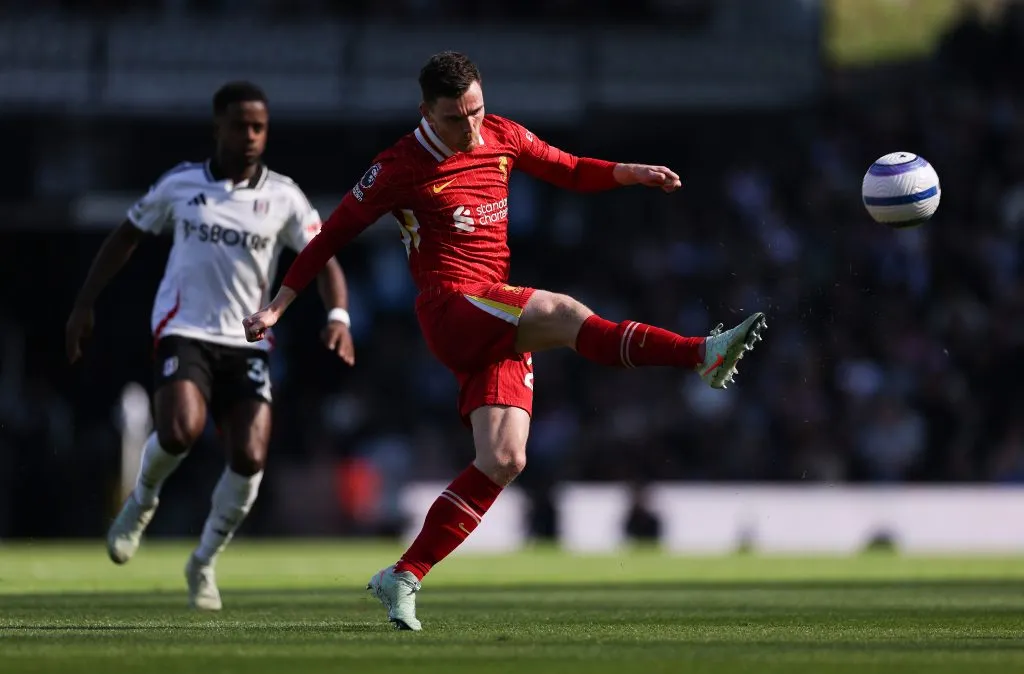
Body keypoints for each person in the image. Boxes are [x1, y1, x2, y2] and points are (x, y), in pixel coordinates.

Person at [242, 52, 766, 630]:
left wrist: (628, 172)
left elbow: (567, 167)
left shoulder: (501, 134)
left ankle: (403, 575)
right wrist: (279, 306)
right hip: (452, 306)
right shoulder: (398, 166)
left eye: (475, 109)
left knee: (503, 458)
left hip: (494, 312)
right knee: (566, 313)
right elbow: (330, 234)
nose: (469, 126)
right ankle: (700, 354)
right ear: (426, 114)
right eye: (454, 118)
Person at [65, 81, 356, 611]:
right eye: (241, 125)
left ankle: (203, 561)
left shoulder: (284, 196)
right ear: (217, 127)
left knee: (249, 457)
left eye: (260, 127)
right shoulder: (181, 184)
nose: (251, 136)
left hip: (247, 340)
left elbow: (324, 257)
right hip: (186, 328)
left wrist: (338, 314)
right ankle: (141, 502)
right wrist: (85, 303)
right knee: (179, 431)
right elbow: (126, 235)